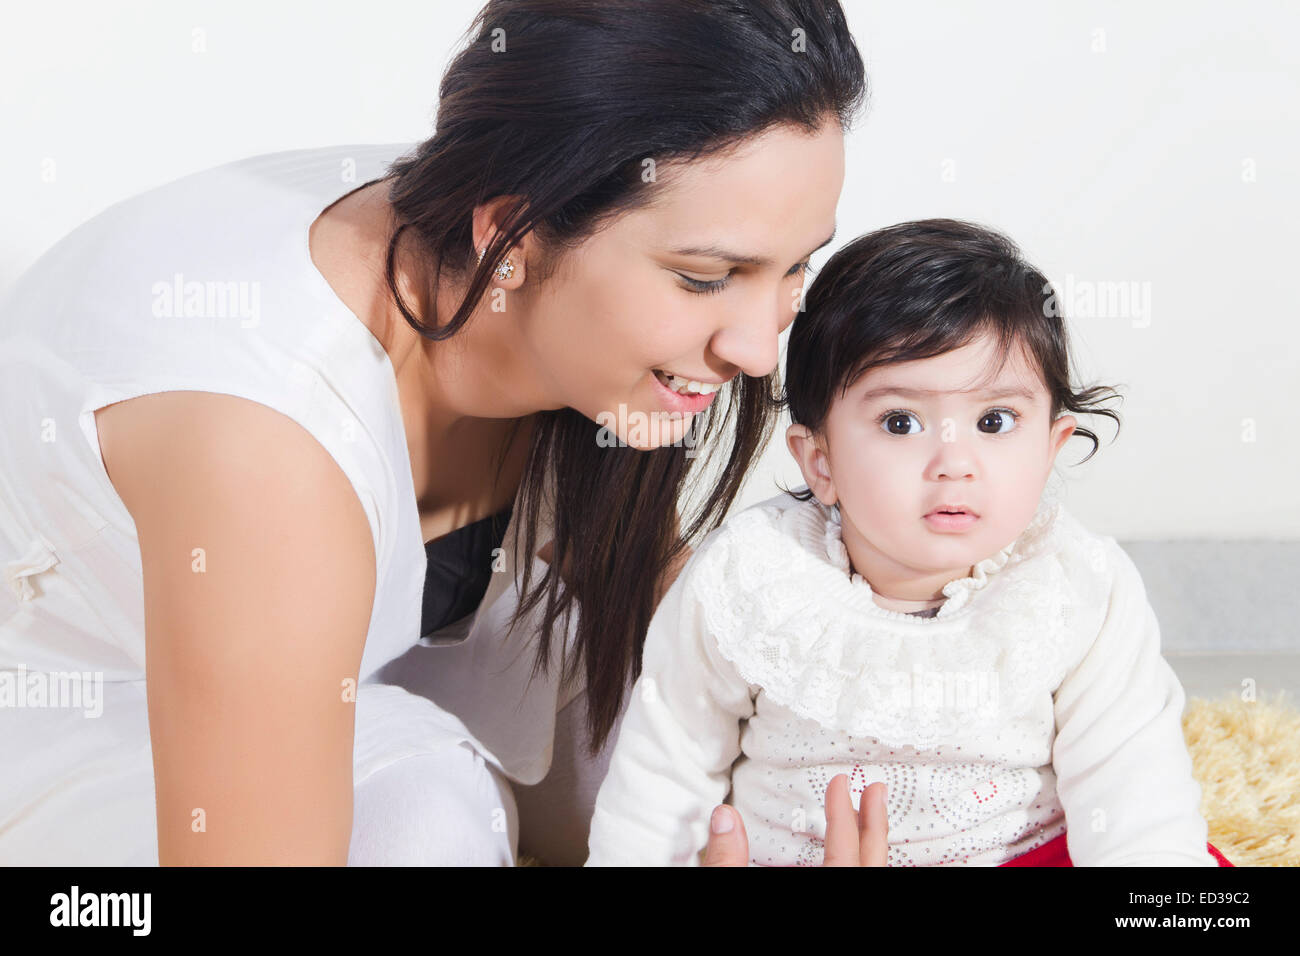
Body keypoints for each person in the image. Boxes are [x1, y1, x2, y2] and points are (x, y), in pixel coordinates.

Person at [0, 0, 866, 865]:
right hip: (83, 718)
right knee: (430, 819)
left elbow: (685, 631)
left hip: (353, 651)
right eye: (706, 278)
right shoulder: (260, 445)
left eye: (796, 267)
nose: (759, 351)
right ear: (510, 236)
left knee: (771, 781)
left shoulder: (536, 228)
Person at [586, 219, 1235, 867]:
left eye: (994, 421)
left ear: (1049, 449)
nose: (954, 462)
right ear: (821, 463)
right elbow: (663, 770)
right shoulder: (751, 578)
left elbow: (1134, 795)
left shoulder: (1076, 586)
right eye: (901, 422)